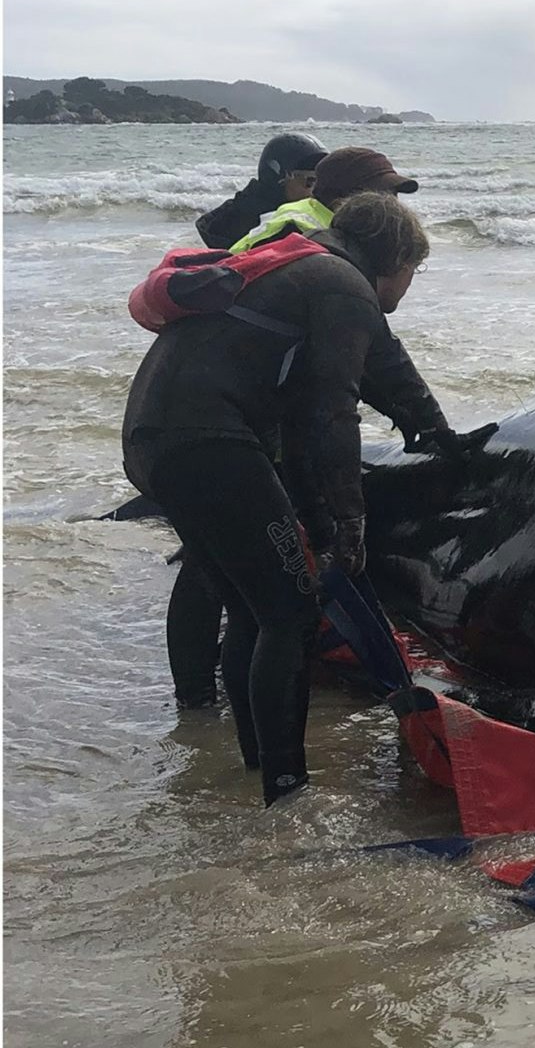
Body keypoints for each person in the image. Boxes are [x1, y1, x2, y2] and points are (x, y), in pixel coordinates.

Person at [122, 193, 454, 805]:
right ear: (398, 258)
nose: (410, 286)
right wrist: (349, 520)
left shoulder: (302, 266)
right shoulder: (341, 285)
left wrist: (438, 437)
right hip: (209, 443)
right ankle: (287, 794)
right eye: (415, 272)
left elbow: (384, 375)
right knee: (289, 614)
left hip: (155, 440)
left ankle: (255, 770)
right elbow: (328, 414)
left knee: (253, 608)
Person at [226, 147, 419, 253]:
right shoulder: (297, 232)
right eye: (383, 195)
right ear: (343, 198)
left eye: (395, 195)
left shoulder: (332, 225)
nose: (393, 204)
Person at [195, 134, 328, 250]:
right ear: (278, 178)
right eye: (310, 180)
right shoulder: (248, 224)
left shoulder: (301, 214)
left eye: (322, 180)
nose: (316, 189)